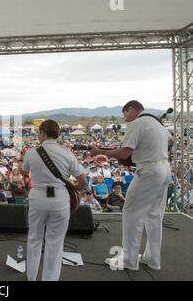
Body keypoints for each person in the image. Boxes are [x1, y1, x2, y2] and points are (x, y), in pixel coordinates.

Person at [91, 100, 172, 271]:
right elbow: (170, 142)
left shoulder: (136, 123)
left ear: (132, 109)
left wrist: (100, 152)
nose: (125, 118)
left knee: (131, 212)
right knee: (154, 215)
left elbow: (125, 152)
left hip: (149, 170)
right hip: (164, 168)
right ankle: (152, 259)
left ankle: (129, 259)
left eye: (125, 113)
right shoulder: (158, 124)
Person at [19, 120, 86, 281]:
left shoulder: (32, 153)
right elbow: (83, 180)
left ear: (42, 133)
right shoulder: (67, 153)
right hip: (60, 199)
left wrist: (20, 162)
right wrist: (75, 188)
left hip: (38, 198)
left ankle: (31, 277)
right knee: (55, 243)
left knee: (35, 238)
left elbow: (23, 171)